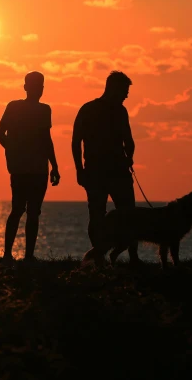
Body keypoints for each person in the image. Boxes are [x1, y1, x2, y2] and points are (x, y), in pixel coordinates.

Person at [72, 70, 140, 265]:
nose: (126, 95)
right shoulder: (88, 109)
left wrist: (129, 157)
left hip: (117, 171)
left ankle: (133, 257)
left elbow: (129, 140)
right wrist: (79, 169)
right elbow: (76, 142)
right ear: (113, 88)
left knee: (127, 214)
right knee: (98, 214)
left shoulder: (120, 111)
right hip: (96, 172)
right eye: (124, 91)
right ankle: (100, 256)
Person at [0, 71, 60, 262]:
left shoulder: (44, 110)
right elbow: (0, 133)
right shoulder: (14, 107)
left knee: (33, 212)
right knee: (17, 209)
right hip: (21, 169)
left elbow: (46, 139)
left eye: (41, 86)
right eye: (34, 86)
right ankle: (7, 254)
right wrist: (13, 150)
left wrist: (54, 166)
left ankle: (28, 256)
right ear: (25, 87)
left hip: (39, 169)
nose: (38, 90)